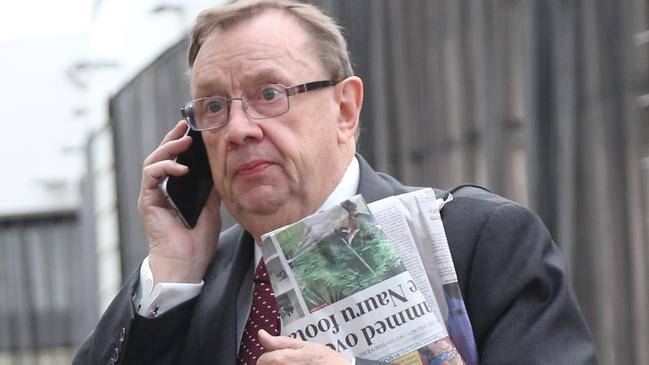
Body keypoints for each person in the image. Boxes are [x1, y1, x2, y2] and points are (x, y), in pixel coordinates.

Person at [73, 1, 598, 364]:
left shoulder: (477, 240)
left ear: (345, 109)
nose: (238, 128)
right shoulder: (188, 284)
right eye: (213, 106)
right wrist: (173, 271)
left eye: (270, 93)